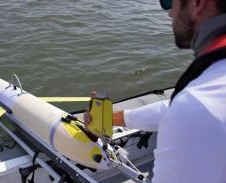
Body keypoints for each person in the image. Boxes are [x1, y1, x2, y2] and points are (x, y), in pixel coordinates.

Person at [85, 0, 226, 182]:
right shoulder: (208, 92)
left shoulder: (196, 109)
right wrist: (108, 118)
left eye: (169, 2)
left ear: (198, 3)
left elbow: (189, 111)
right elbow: (170, 109)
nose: (169, 14)